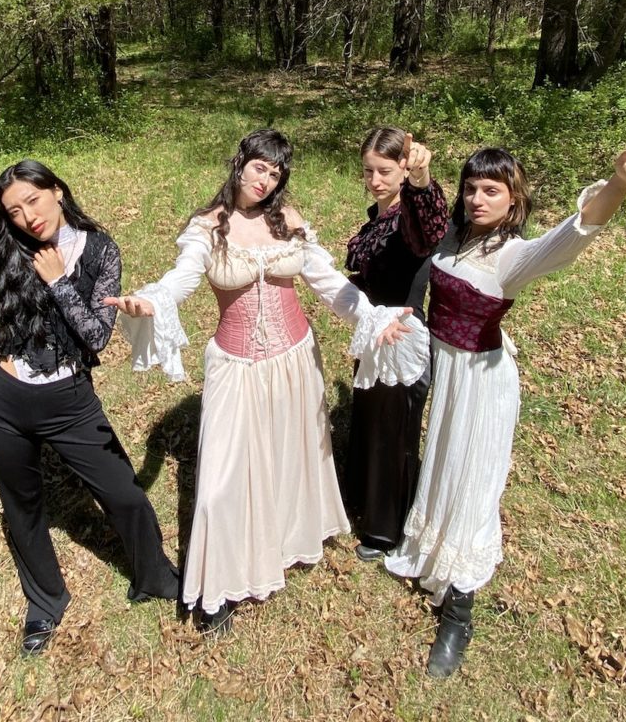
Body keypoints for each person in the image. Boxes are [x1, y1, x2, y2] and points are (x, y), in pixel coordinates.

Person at [107, 128, 415, 633]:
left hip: (295, 358)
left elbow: (328, 284)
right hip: (236, 363)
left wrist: (372, 316)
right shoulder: (208, 227)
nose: (265, 180)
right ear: (240, 163)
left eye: (275, 173)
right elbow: (182, 278)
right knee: (222, 478)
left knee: (288, 452)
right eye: (259, 167)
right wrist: (151, 299)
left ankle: (284, 541)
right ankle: (217, 587)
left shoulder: (287, 219)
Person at [382, 134, 626, 677]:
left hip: (483, 383)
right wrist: (419, 176)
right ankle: (432, 552)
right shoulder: (456, 237)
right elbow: (424, 214)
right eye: (471, 188)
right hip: (449, 374)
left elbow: (575, 232)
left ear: (514, 198)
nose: (477, 199)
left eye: (491, 190)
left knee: (475, 482)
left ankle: (459, 612)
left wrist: (621, 182)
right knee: (445, 466)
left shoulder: (512, 256)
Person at [0, 114, 180, 657]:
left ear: (56, 191)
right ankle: (45, 601)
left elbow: (96, 337)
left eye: (33, 201)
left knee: (124, 495)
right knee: (22, 507)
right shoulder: (8, 245)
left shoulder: (101, 250)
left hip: (70, 402)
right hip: (6, 402)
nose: (27, 217)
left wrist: (60, 279)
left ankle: (155, 576)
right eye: (14, 212)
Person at [341, 127, 449, 561]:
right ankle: (363, 501)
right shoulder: (380, 215)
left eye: (385, 171)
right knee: (370, 419)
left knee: (394, 433)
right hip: (375, 331)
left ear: (404, 167)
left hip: (403, 336)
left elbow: (432, 228)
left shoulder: (410, 215)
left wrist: (422, 180)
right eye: (368, 170)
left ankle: (386, 530)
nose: (374, 180)